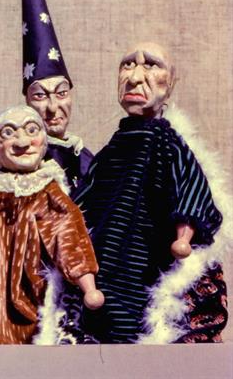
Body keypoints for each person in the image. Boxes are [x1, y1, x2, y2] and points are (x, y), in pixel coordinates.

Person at [64, 42, 228, 343]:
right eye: (127, 65)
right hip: (104, 272)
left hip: (148, 269)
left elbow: (189, 185)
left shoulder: (169, 145)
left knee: (139, 328)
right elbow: (79, 205)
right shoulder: (109, 153)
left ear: (171, 83)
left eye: (151, 65)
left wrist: (183, 237)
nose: (135, 77)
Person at [0, 106, 102, 344]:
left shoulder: (47, 191)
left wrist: (88, 285)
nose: (22, 142)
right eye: (8, 133)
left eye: (31, 130)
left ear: (44, 141)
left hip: (34, 293)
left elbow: (68, 236)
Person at [20, 0, 92, 193]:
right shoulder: (19, 161)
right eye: (40, 96)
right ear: (27, 103)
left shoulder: (87, 160)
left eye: (61, 93)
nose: (53, 107)